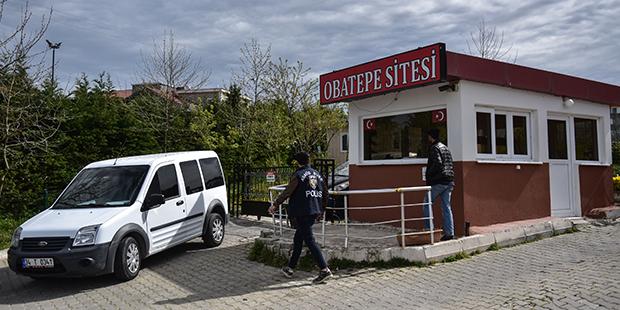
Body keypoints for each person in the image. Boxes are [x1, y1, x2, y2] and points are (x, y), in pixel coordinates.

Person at [268, 152, 333, 284]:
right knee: (298, 239)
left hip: (303, 211)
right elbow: (325, 193)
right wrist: (322, 209)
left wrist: (275, 204)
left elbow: (288, 191)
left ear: (297, 162)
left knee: (309, 240)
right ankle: (290, 268)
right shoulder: (318, 174)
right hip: (314, 210)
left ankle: (324, 269)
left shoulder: (298, 175)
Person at [424, 128, 455, 241]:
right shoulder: (445, 148)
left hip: (439, 181)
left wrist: (429, 175)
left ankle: (428, 230)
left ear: (431, 137)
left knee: (427, 203)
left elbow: (437, 163)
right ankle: (449, 233)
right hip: (449, 181)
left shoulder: (434, 148)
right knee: (446, 207)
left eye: (428, 136)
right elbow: (450, 163)